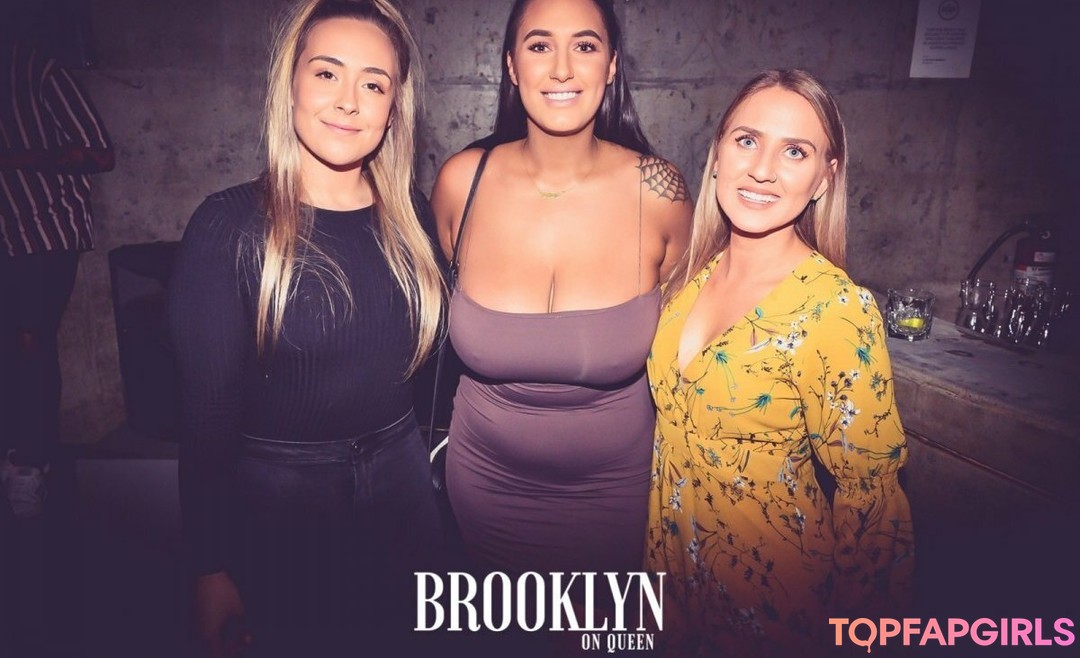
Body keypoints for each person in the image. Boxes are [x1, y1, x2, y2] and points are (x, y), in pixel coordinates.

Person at [167, 1, 444, 655]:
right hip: (282, 506)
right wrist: (208, 565)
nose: (349, 101)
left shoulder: (414, 217)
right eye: (326, 73)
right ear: (289, 84)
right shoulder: (228, 226)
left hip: (405, 491)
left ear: (394, 107)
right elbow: (205, 421)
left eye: (373, 83)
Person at [646, 69, 914, 656]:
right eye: (747, 140)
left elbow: (871, 506)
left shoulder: (835, 308)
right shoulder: (690, 278)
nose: (763, 169)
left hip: (773, 607)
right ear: (718, 153)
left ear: (825, 178)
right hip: (673, 593)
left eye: (795, 151)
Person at [431, 0, 691, 595]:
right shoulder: (461, 182)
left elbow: (691, 337)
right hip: (484, 486)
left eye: (586, 45)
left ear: (613, 65)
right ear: (511, 65)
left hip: (617, 496)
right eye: (540, 45)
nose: (563, 69)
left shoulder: (660, 191)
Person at [0, 14, 114, 520]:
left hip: (42, 232)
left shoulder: (35, 67)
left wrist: (18, 160)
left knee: (30, 344)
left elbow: (101, 154)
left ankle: (31, 467)